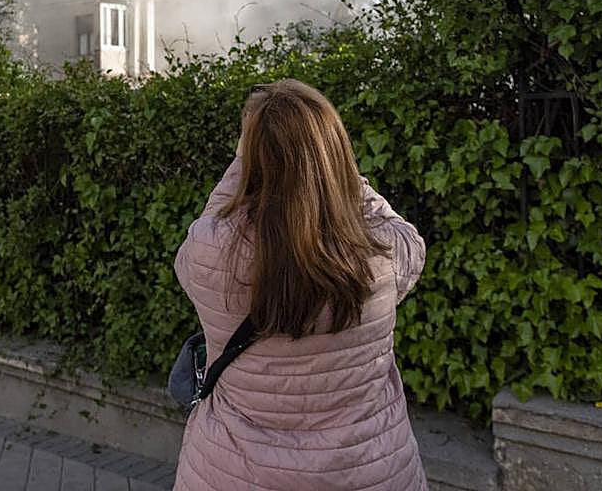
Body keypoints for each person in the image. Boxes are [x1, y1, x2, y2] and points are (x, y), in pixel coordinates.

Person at [173, 79, 427, 490]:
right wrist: (340, 176)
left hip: (234, 473)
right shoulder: (379, 253)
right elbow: (408, 238)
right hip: (368, 472)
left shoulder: (213, 249)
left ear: (250, 159)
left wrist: (244, 159)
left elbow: (208, 224)